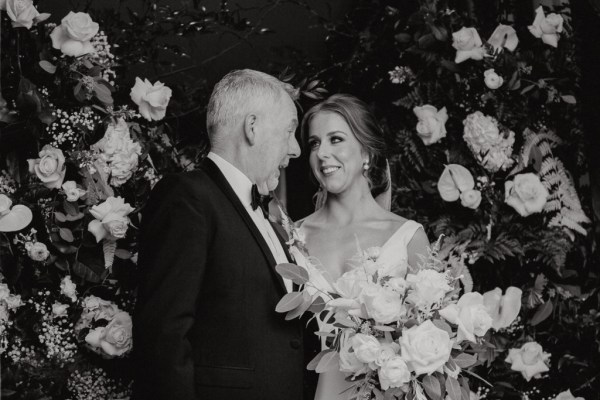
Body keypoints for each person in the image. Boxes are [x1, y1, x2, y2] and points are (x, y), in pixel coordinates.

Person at [132, 69, 313, 400]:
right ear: (252, 127)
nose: (296, 149)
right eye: (289, 132)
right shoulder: (187, 198)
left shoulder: (269, 219)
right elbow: (163, 337)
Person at [297, 94, 430, 400]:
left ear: (367, 153)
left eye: (336, 139)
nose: (322, 153)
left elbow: (429, 342)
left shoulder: (409, 238)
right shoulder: (292, 239)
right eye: (315, 143)